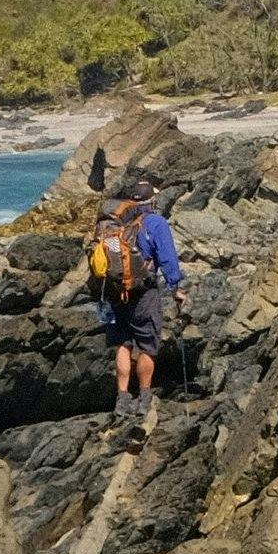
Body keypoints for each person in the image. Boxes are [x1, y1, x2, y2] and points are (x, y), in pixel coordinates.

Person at [90, 182, 185, 429]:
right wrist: (176, 288)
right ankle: (144, 396)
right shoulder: (155, 223)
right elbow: (167, 258)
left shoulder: (113, 224)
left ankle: (122, 398)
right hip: (144, 292)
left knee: (122, 343)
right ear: (151, 201)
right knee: (147, 344)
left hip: (114, 291)